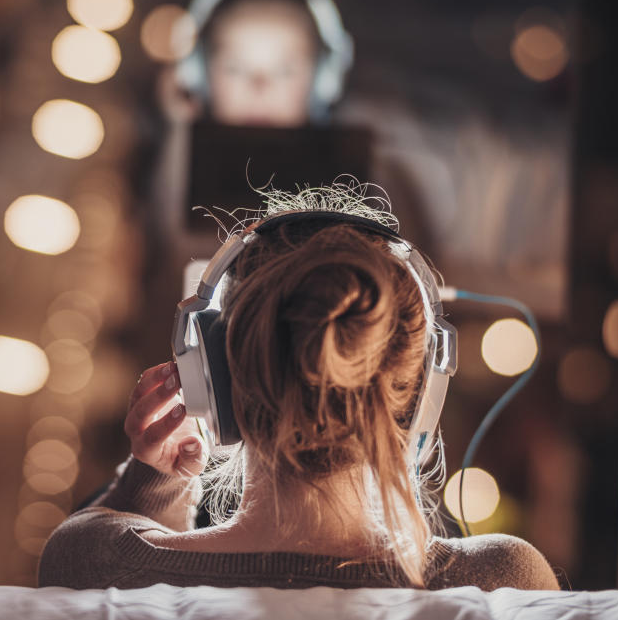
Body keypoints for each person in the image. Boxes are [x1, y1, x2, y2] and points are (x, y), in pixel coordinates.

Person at [38, 188, 560, 591]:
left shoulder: (91, 560)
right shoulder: (502, 582)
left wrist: (155, 483)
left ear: (213, 382)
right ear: (419, 396)